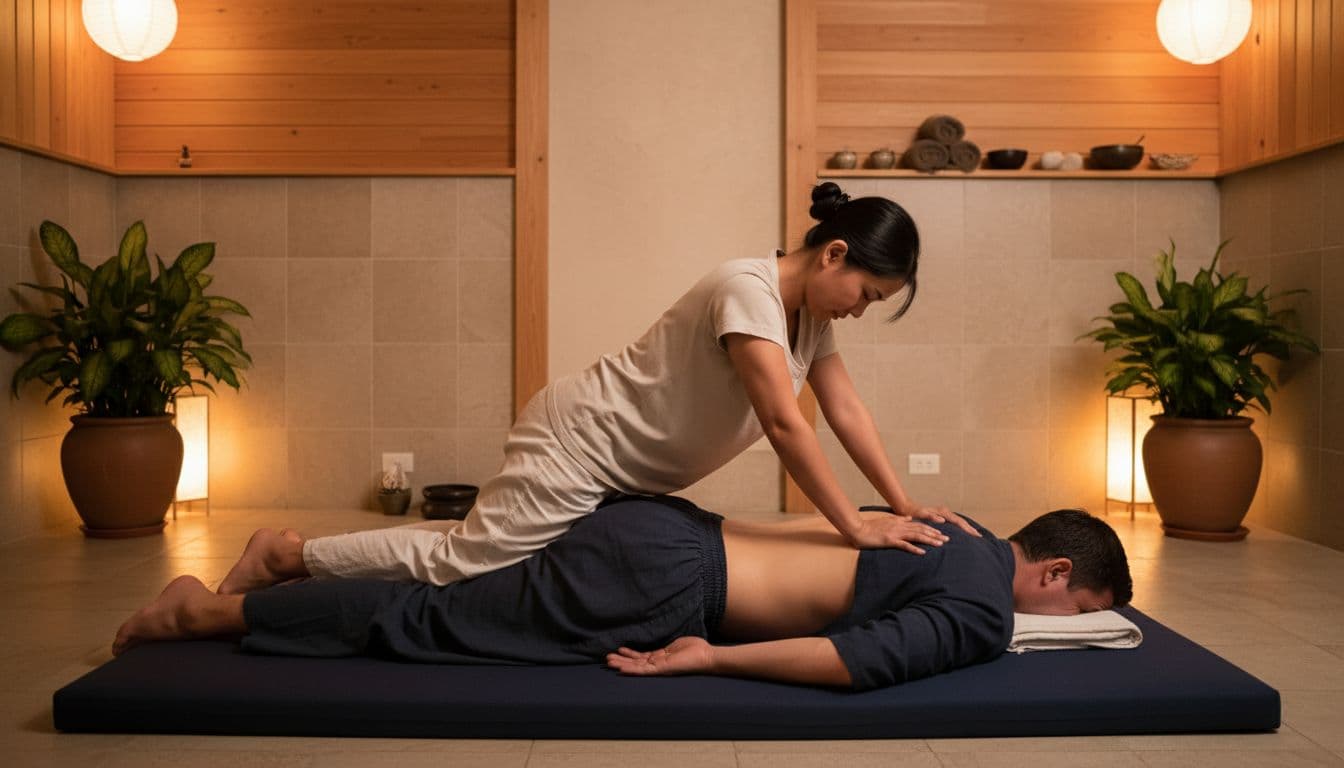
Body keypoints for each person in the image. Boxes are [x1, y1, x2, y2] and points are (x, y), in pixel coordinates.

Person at [219, 181, 975, 596]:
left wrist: (903, 507)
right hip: (578, 446)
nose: (861, 310)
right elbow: (786, 423)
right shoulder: (747, 289)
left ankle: (298, 554)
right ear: (833, 254)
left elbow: (843, 409)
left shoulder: (809, 315)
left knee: (476, 545)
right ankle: (289, 557)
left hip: (616, 465)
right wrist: (855, 527)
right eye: (867, 294)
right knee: (463, 565)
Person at [119, 496, 1133, 691]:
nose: (1056, 624)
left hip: (669, 527)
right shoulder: (982, 607)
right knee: (431, 620)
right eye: (1073, 610)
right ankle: (203, 612)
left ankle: (289, 555)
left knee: (464, 561)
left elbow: (817, 533)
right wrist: (710, 656)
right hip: (663, 583)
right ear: (1048, 574)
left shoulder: (948, 522)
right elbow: (856, 662)